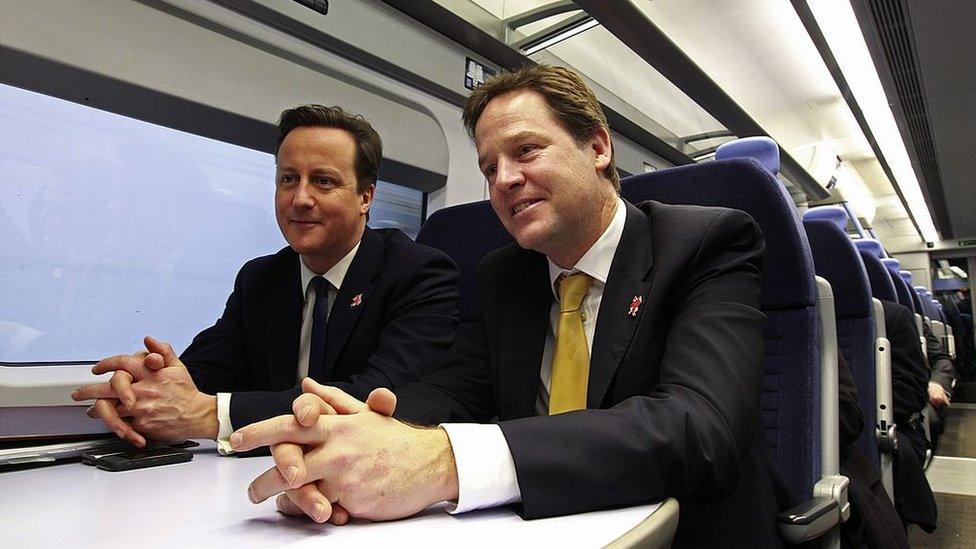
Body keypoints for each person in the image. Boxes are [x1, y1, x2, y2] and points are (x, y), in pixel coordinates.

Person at [232, 66, 782, 545]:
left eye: (525, 151)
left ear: (597, 147)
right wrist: (347, 430)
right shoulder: (506, 275)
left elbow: (700, 429)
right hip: (536, 531)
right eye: (489, 167)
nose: (505, 180)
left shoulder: (705, 243)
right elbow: (450, 391)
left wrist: (447, 462)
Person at [71, 105, 460, 451]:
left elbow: (373, 396)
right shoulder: (261, 278)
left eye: (323, 181)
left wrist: (212, 414)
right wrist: (145, 384)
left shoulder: (418, 272)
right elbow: (204, 371)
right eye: (288, 179)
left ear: (365, 197)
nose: (300, 199)